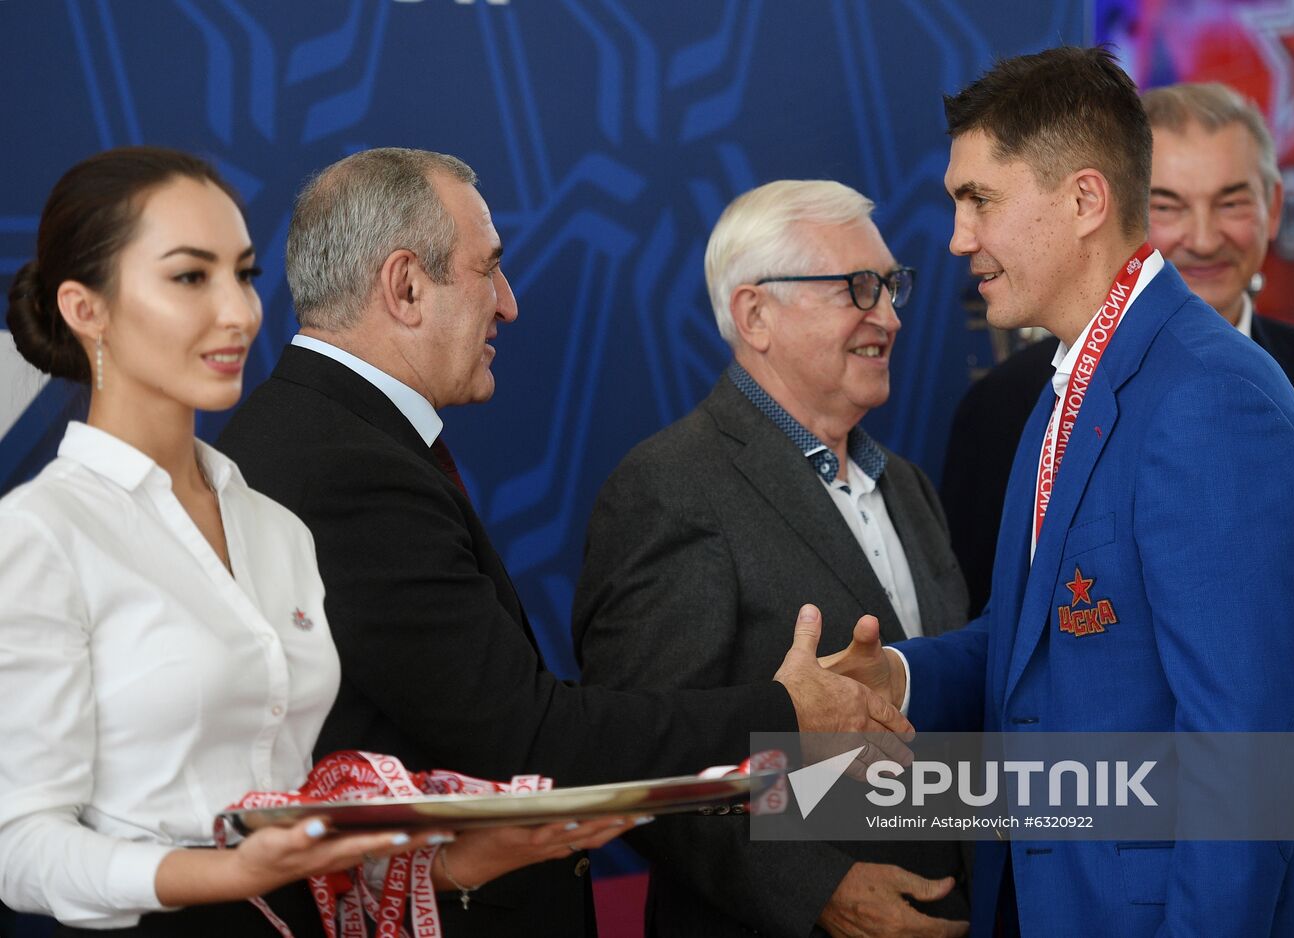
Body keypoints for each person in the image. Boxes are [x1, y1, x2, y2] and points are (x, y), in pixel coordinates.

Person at [216, 148, 910, 937]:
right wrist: (788, 709)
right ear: (406, 286)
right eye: (490, 271)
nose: (508, 305)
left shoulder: (324, 437)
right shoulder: (341, 464)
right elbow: (526, 740)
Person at [826, 48, 1294, 935]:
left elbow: (1246, 754)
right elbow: (1052, 647)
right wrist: (897, 678)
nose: (956, 238)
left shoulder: (1208, 401)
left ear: (1086, 200)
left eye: (980, 199)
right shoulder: (1073, 384)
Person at [0, 148, 636, 936]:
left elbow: (308, 820)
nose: (237, 312)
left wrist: (445, 866)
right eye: (191, 277)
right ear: (85, 309)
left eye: (243, 274)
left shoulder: (272, 525)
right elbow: (20, 846)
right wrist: (213, 873)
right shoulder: (41, 532)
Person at [940, 81, 1294, 737]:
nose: (1203, 237)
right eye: (1170, 205)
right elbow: (1016, 636)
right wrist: (902, 681)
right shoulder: (1029, 396)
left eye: (1231, 201)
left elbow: (1242, 744)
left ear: (1272, 209)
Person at [573, 179, 971, 938]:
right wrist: (819, 888)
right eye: (856, 288)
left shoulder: (909, 486)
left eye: (891, 286)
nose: (887, 316)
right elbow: (644, 756)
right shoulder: (670, 487)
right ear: (755, 314)